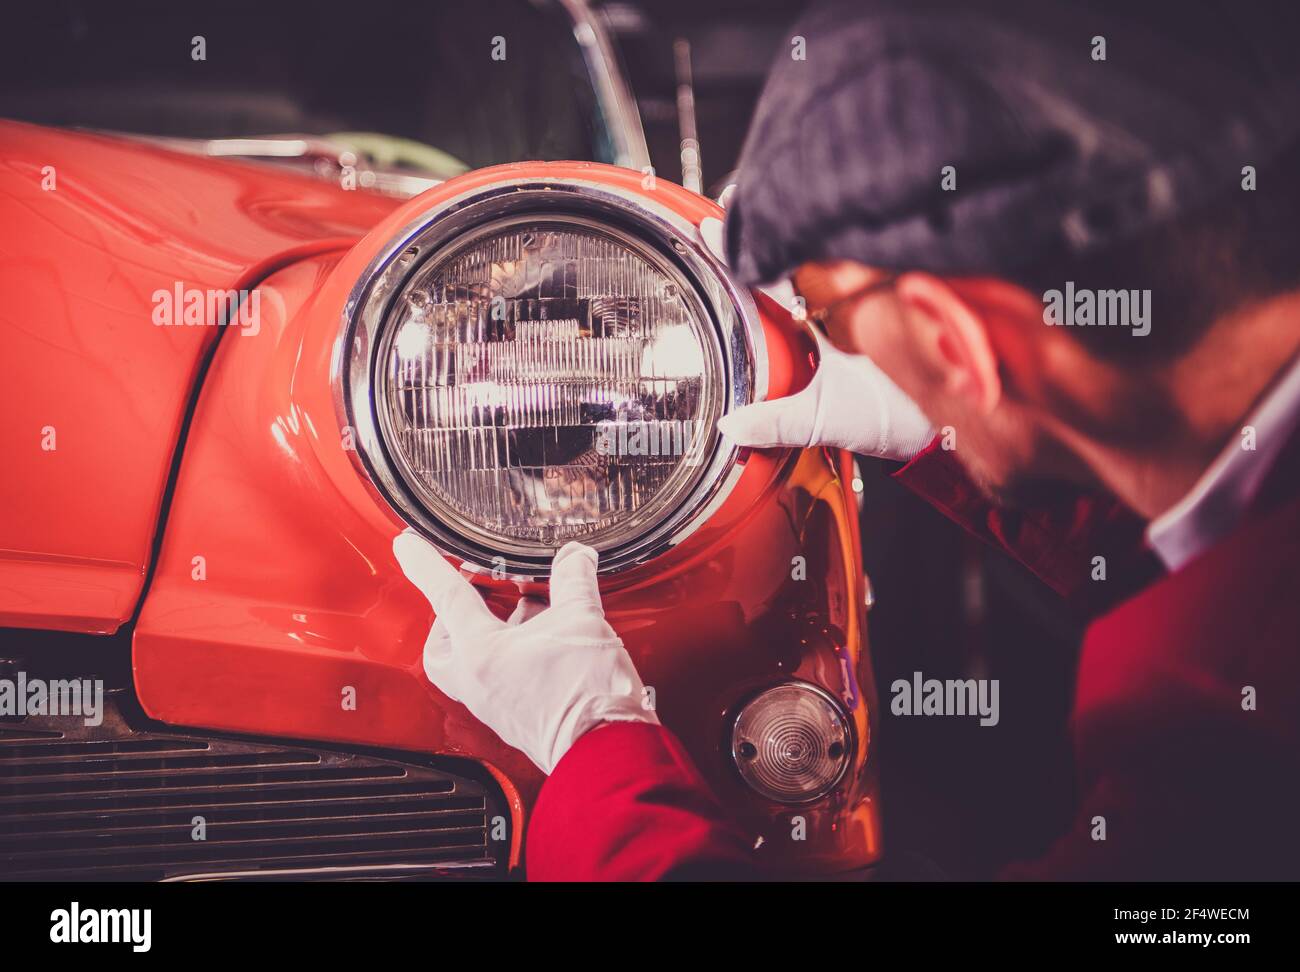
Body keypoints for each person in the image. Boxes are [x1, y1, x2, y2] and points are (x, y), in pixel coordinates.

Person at [393, 0, 1300, 880]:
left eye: (831, 316)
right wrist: (953, 435)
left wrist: (591, 746)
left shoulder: (1224, 721)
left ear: (959, 340)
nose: (829, 344)